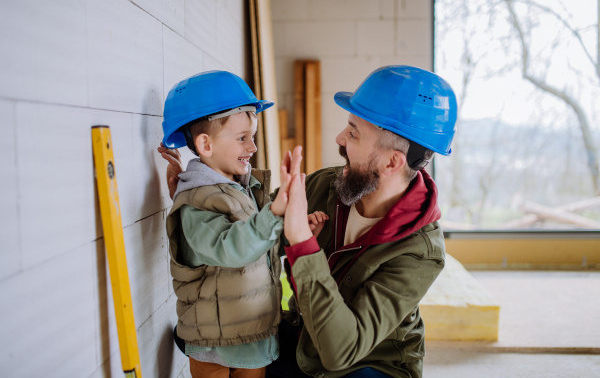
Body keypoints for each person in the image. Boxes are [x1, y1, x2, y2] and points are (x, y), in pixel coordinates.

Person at [160, 66, 458, 378]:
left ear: (392, 162)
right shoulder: (328, 186)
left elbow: (340, 351)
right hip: (308, 342)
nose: (339, 138)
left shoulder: (420, 250)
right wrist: (198, 187)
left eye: (353, 133)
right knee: (205, 331)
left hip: (364, 363)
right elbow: (248, 228)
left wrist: (303, 242)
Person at [161, 70, 314, 378]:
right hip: (213, 338)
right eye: (242, 138)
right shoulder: (195, 201)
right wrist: (274, 213)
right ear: (205, 145)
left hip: (252, 331)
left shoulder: (240, 189)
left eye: (253, 137)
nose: (252, 148)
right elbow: (231, 247)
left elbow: (257, 243)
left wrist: (292, 227)